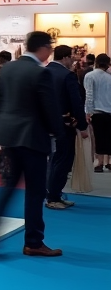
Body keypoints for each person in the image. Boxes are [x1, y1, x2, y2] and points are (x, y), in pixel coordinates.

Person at [0, 31, 63, 256]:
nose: (50, 51)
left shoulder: (7, 68)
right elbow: (49, 108)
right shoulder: (41, 73)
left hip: (9, 137)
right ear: (41, 48)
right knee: (35, 191)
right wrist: (60, 133)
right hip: (33, 139)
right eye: (49, 47)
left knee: (9, 186)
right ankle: (33, 242)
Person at [46, 45, 87, 209]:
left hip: (45, 123)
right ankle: (54, 196)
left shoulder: (44, 72)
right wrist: (82, 125)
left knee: (51, 160)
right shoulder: (67, 76)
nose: (73, 60)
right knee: (63, 160)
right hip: (65, 123)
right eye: (72, 56)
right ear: (64, 57)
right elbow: (76, 102)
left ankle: (52, 193)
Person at [84, 53, 111, 173]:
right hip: (109, 111)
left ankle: (98, 163)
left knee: (98, 138)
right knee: (109, 137)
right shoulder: (109, 77)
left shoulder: (90, 76)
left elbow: (89, 95)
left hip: (97, 111)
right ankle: (109, 162)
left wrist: (87, 112)